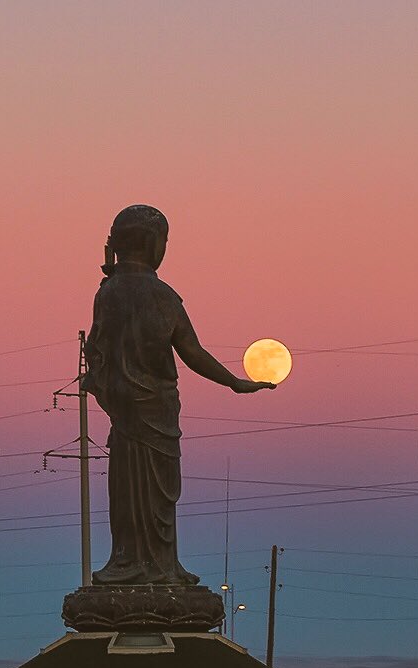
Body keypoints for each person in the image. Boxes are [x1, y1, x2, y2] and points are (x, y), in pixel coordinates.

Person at [82, 205, 274, 586]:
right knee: (154, 495)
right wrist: (233, 382)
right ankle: (151, 565)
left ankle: (143, 562)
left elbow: (98, 351)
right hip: (152, 408)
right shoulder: (161, 296)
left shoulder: (108, 294)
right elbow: (192, 351)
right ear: (152, 244)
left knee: (132, 491)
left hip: (129, 408)